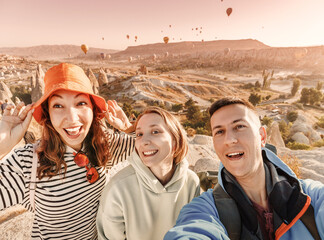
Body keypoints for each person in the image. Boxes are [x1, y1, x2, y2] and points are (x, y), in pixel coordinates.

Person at [0, 63, 135, 239]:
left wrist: (130, 129)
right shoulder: (28, 162)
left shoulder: (104, 144)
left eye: (80, 103)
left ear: (93, 110)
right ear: (47, 113)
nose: (71, 118)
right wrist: (2, 145)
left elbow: (158, 147)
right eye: (58, 105)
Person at [165, 97, 324, 240]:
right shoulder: (206, 209)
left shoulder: (311, 197)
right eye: (219, 131)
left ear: (262, 136)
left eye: (239, 126)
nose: (229, 140)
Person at [97, 106, 200, 240]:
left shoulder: (191, 182)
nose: (144, 142)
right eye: (139, 134)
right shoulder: (118, 188)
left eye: (155, 131)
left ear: (175, 141)